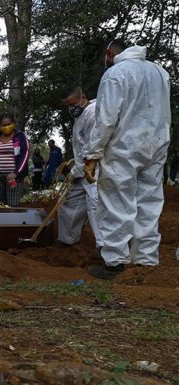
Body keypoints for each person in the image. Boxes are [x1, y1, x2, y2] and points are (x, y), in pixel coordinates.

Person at [83, 39, 171, 279]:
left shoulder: (115, 73)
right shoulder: (160, 72)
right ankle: (146, 260)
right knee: (149, 203)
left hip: (123, 147)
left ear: (109, 54)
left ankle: (115, 262)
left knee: (116, 203)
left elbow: (106, 119)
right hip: (156, 145)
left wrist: (92, 154)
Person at [58, 85, 103, 250]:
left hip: (94, 170)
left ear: (83, 97)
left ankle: (105, 249)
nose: (71, 108)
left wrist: (75, 171)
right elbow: (80, 147)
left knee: (95, 207)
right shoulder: (80, 117)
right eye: (67, 105)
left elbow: (92, 148)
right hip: (80, 170)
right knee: (69, 202)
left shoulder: (93, 113)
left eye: (73, 103)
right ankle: (67, 239)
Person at [0, 113, 30, 207]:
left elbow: (25, 155)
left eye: (8, 124)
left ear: (13, 123)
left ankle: (14, 222)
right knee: (1, 206)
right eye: (3, 125)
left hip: (13, 177)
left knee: (13, 205)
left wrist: (16, 173)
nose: (6, 126)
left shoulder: (20, 136)